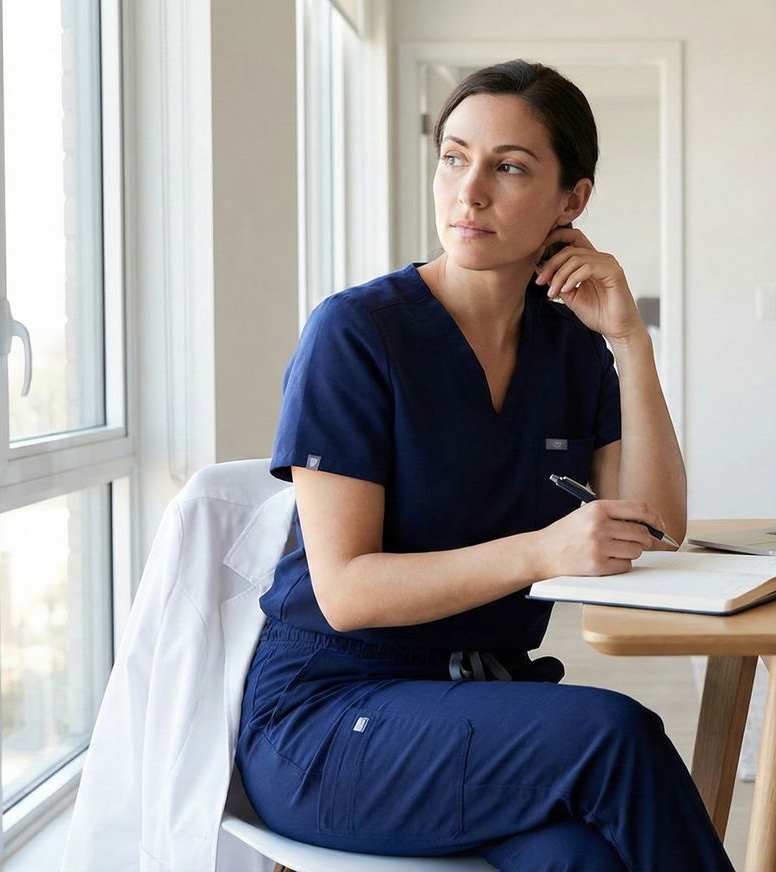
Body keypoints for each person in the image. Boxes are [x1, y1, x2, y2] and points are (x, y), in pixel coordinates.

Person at [234, 60, 734, 872]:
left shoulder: (572, 346)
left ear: (572, 201)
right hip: (330, 719)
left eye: (508, 167)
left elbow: (657, 527)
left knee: (581, 859)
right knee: (614, 735)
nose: (469, 194)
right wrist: (543, 552)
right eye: (454, 157)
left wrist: (630, 344)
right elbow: (347, 591)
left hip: (478, 708)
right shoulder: (356, 335)